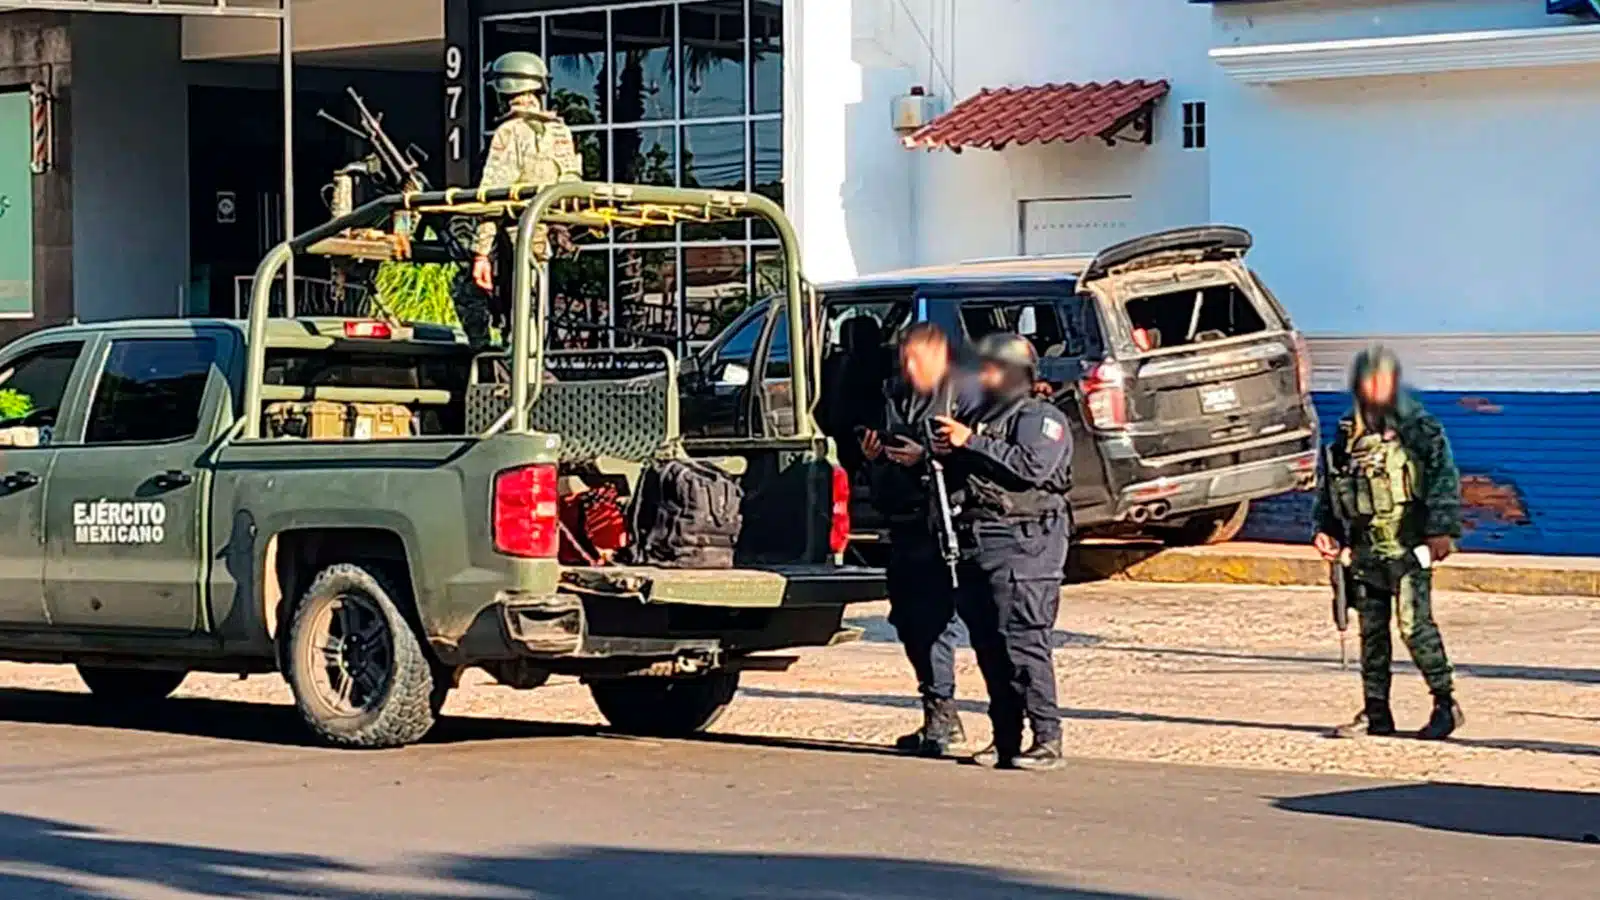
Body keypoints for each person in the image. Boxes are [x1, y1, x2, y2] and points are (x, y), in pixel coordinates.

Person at [932, 332, 1072, 771]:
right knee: (989, 644)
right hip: (980, 541)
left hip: (1027, 545)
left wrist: (969, 442)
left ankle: (1046, 737)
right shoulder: (978, 416)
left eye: (990, 369)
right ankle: (1005, 737)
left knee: (1026, 643)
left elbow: (1032, 467)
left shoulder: (1040, 416)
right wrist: (934, 453)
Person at [1314, 344, 1465, 740]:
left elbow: (1443, 477)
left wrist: (1441, 531)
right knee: (1372, 632)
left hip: (1408, 544)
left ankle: (1445, 703)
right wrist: (1325, 527)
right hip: (1364, 549)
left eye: (1381, 380)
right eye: (1367, 380)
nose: (1374, 387)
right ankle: (1376, 711)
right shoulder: (1348, 432)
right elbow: (1331, 484)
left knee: (1415, 626)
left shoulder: (1419, 427)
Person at [857, 322, 981, 757]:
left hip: (946, 526)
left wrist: (926, 457)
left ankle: (946, 717)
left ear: (940, 356)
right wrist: (876, 457)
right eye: (904, 358)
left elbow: (980, 458)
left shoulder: (966, 395)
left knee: (936, 623)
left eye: (918, 358)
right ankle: (937, 713)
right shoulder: (895, 396)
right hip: (903, 523)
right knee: (909, 622)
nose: (909, 367)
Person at [461, 51, 584, 348]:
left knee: (501, 306)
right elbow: (572, 183)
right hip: (545, 235)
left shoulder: (509, 132)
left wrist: (480, 253)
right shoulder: (561, 132)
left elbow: (492, 197)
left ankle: (505, 367)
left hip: (517, 234)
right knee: (533, 309)